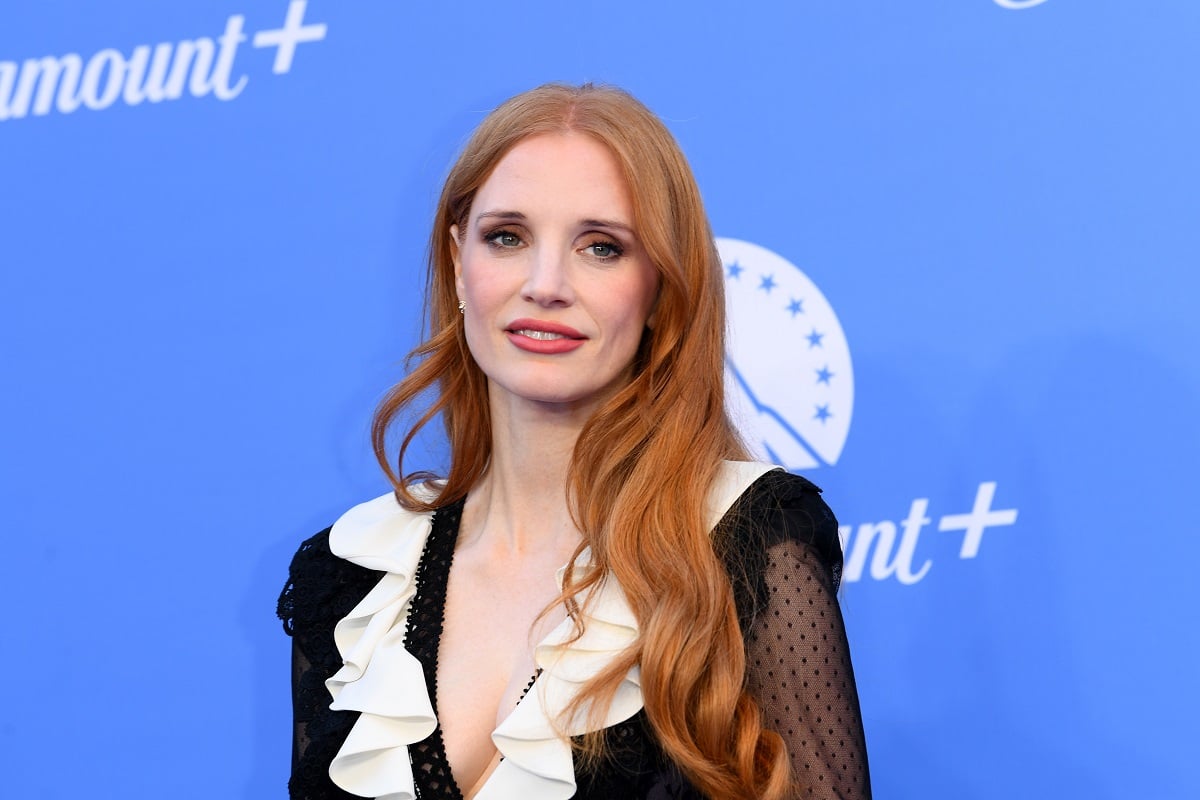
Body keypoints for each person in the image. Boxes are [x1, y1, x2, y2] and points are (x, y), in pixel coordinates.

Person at [278, 82, 871, 800]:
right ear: (459, 259)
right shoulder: (352, 575)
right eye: (508, 237)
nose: (546, 284)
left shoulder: (749, 542)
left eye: (601, 247)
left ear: (661, 288)